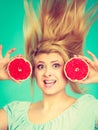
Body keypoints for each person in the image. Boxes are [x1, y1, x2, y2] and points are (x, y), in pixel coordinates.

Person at [0, 0, 98, 129]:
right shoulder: (14, 113)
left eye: (56, 65)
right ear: (34, 71)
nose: (47, 73)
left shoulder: (90, 109)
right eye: (41, 66)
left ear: (69, 68)